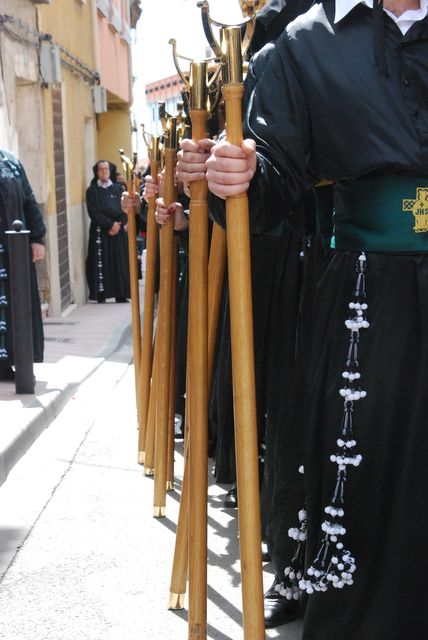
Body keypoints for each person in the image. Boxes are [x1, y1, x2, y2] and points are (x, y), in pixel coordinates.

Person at [177, 1, 428, 638]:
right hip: (370, 294)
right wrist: (239, 174)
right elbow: (275, 187)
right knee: (370, 480)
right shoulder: (307, 42)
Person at [0, 149, 45, 381]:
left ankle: (15, 362)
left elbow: (29, 199)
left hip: (13, 252)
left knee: (17, 306)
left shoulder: (11, 162)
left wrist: (37, 238)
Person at [85, 161, 130, 303]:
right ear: (97, 172)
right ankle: (101, 294)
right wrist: (110, 224)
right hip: (101, 232)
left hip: (118, 232)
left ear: (110, 171)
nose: (104, 171)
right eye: (101, 169)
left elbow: (125, 209)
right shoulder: (92, 191)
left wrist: (119, 223)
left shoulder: (119, 189)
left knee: (119, 262)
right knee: (101, 263)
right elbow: (94, 212)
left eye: (106, 169)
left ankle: (121, 294)